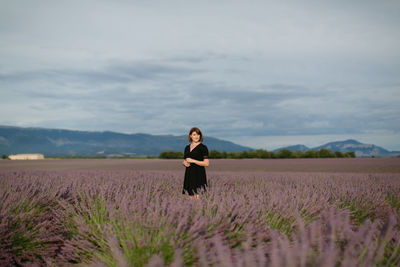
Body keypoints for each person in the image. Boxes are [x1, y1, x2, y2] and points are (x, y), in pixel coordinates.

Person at [182, 127, 210, 200]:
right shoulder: (187, 148)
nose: (196, 136)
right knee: (189, 200)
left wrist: (193, 161)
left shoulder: (203, 148)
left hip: (199, 175)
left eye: (198, 134)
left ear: (200, 136)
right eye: (194, 134)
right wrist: (184, 163)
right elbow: (185, 160)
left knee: (198, 199)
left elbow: (206, 163)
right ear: (190, 136)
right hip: (189, 174)